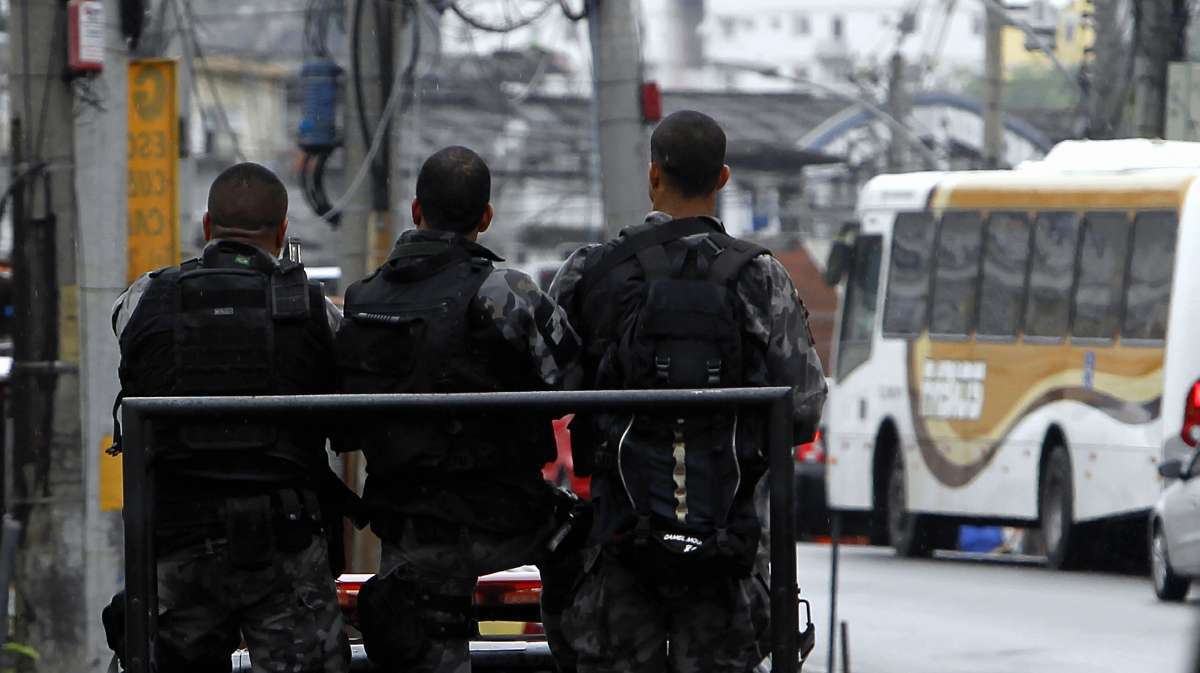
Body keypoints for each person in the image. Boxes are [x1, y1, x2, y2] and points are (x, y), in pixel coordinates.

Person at [549, 110, 827, 673]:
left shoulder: (592, 271)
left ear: (654, 176)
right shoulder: (761, 277)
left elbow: (549, 386)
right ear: (723, 179)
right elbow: (802, 409)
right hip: (728, 546)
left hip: (620, 541)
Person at [334, 146, 582, 673]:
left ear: (416, 210)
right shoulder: (505, 290)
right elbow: (576, 382)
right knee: (588, 545)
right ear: (485, 218)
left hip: (409, 527)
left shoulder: (362, 300)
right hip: (506, 515)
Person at [106, 162, 351, 673]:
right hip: (285, 541)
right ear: (282, 232)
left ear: (206, 226)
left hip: (177, 542)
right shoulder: (313, 309)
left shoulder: (143, 299)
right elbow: (343, 405)